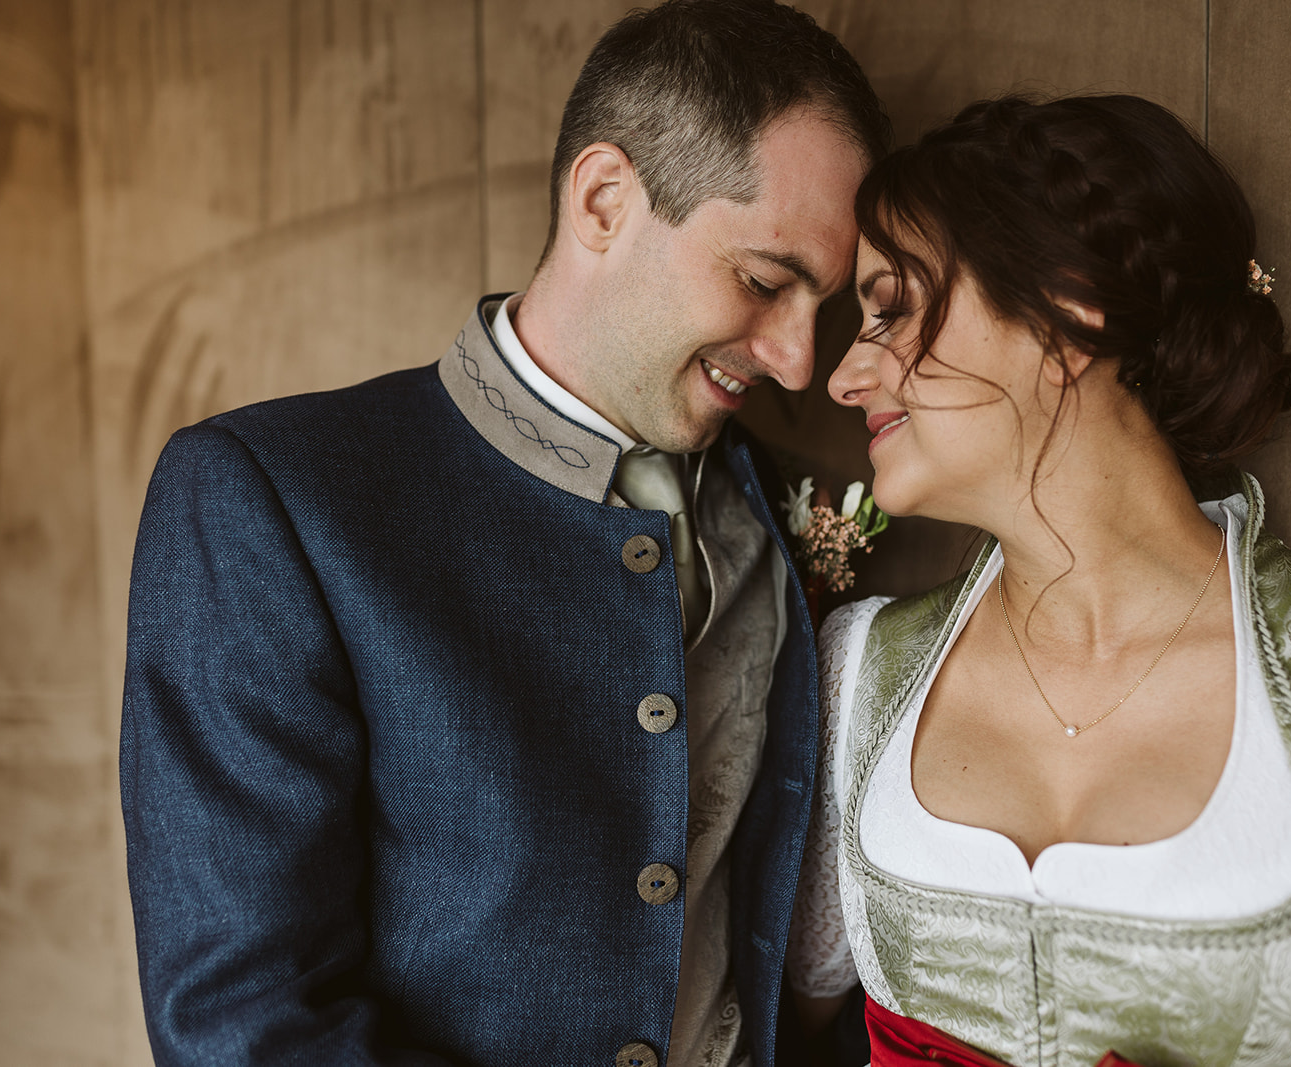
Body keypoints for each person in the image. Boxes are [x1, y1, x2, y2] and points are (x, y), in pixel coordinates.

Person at [119, 3, 889, 1064]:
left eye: (824, 304)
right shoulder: (271, 497)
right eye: (763, 281)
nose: (800, 361)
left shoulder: (783, 496)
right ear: (604, 200)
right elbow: (242, 1023)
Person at [785, 94, 1291, 1066]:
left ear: (1071, 306)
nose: (844, 375)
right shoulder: (861, 673)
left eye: (892, 307)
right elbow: (774, 1023)